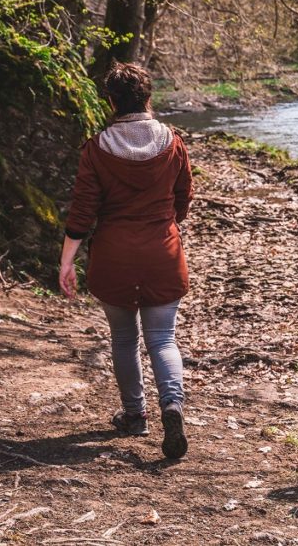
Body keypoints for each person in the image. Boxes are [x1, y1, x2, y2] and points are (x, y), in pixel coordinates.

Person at [59, 61, 193, 460]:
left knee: (123, 338)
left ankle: (135, 416)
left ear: (111, 102)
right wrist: (165, 224)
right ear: (148, 97)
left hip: (113, 256)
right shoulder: (173, 143)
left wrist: (67, 262)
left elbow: (82, 212)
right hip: (162, 253)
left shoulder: (96, 148)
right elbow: (183, 197)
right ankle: (172, 404)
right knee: (163, 337)